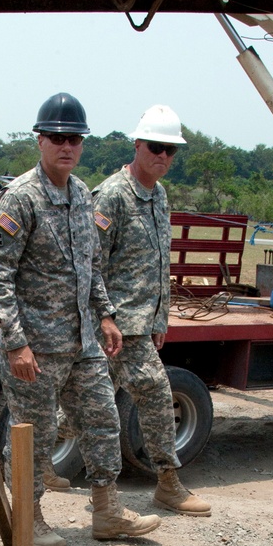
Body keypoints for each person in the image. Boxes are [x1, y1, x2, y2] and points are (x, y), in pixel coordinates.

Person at [0, 93, 161, 546]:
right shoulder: (20, 198)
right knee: (32, 437)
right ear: (40, 140)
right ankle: (29, 518)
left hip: (83, 346)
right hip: (35, 350)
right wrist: (15, 342)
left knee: (103, 422)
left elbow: (92, 265)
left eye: (74, 139)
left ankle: (107, 512)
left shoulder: (82, 195)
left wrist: (106, 315)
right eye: (57, 138)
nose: (67, 146)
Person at [92, 105, 212, 516]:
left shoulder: (159, 195)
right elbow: (92, 263)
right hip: (118, 323)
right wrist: (104, 317)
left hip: (143, 322)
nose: (163, 157)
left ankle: (40, 471)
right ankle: (167, 483)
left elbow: (161, 260)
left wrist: (161, 317)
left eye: (171, 151)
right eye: (156, 147)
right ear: (137, 145)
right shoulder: (112, 195)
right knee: (158, 396)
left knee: (89, 406)